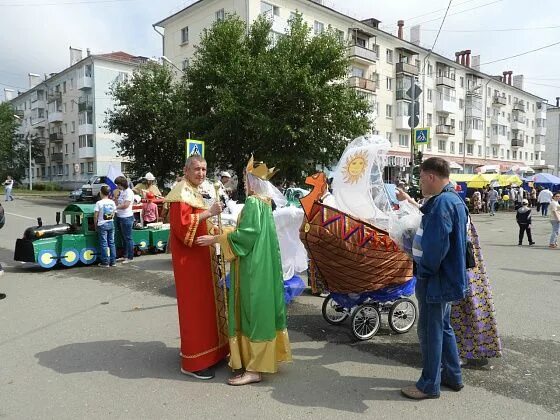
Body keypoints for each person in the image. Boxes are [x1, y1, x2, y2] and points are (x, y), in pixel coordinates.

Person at [196, 156, 292, 386]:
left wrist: (216, 237)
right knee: (261, 310)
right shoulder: (265, 202)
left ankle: (254, 369)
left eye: (244, 177)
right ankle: (262, 359)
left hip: (252, 268)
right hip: (263, 265)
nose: (243, 181)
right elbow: (249, 231)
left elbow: (245, 237)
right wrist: (227, 229)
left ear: (251, 180)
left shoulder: (253, 203)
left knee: (252, 313)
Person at [401, 157, 467, 400]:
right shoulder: (452, 199)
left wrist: (424, 271)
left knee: (430, 330)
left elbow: (436, 247)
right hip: (446, 277)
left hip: (435, 278)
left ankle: (428, 385)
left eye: (420, 178)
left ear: (431, 177)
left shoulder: (441, 204)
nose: (419, 183)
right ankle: (452, 375)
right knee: (443, 326)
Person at [165, 155, 228, 380]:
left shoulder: (193, 190)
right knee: (195, 310)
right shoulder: (180, 192)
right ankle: (193, 363)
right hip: (190, 263)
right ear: (186, 170)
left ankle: (213, 353)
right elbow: (182, 227)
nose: (201, 173)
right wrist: (209, 213)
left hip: (203, 259)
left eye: (204, 169)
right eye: (197, 169)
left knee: (209, 306)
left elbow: (198, 220)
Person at [94, 185, 117, 267]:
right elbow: (114, 213)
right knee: (112, 242)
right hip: (111, 223)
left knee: (104, 243)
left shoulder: (99, 203)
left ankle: (105, 262)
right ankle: (113, 261)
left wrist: (95, 225)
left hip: (102, 224)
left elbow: (96, 215)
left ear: (101, 192)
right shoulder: (112, 202)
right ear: (109, 193)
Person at [114, 176, 134, 264]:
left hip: (126, 217)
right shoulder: (122, 192)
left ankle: (130, 257)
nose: (117, 186)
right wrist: (115, 200)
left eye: (118, 185)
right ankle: (125, 255)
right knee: (123, 237)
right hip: (120, 216)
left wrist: (115, 207)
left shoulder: (129, 192)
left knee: (128, 238)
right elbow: (118, 202)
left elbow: (126, 205)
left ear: (122, 184)